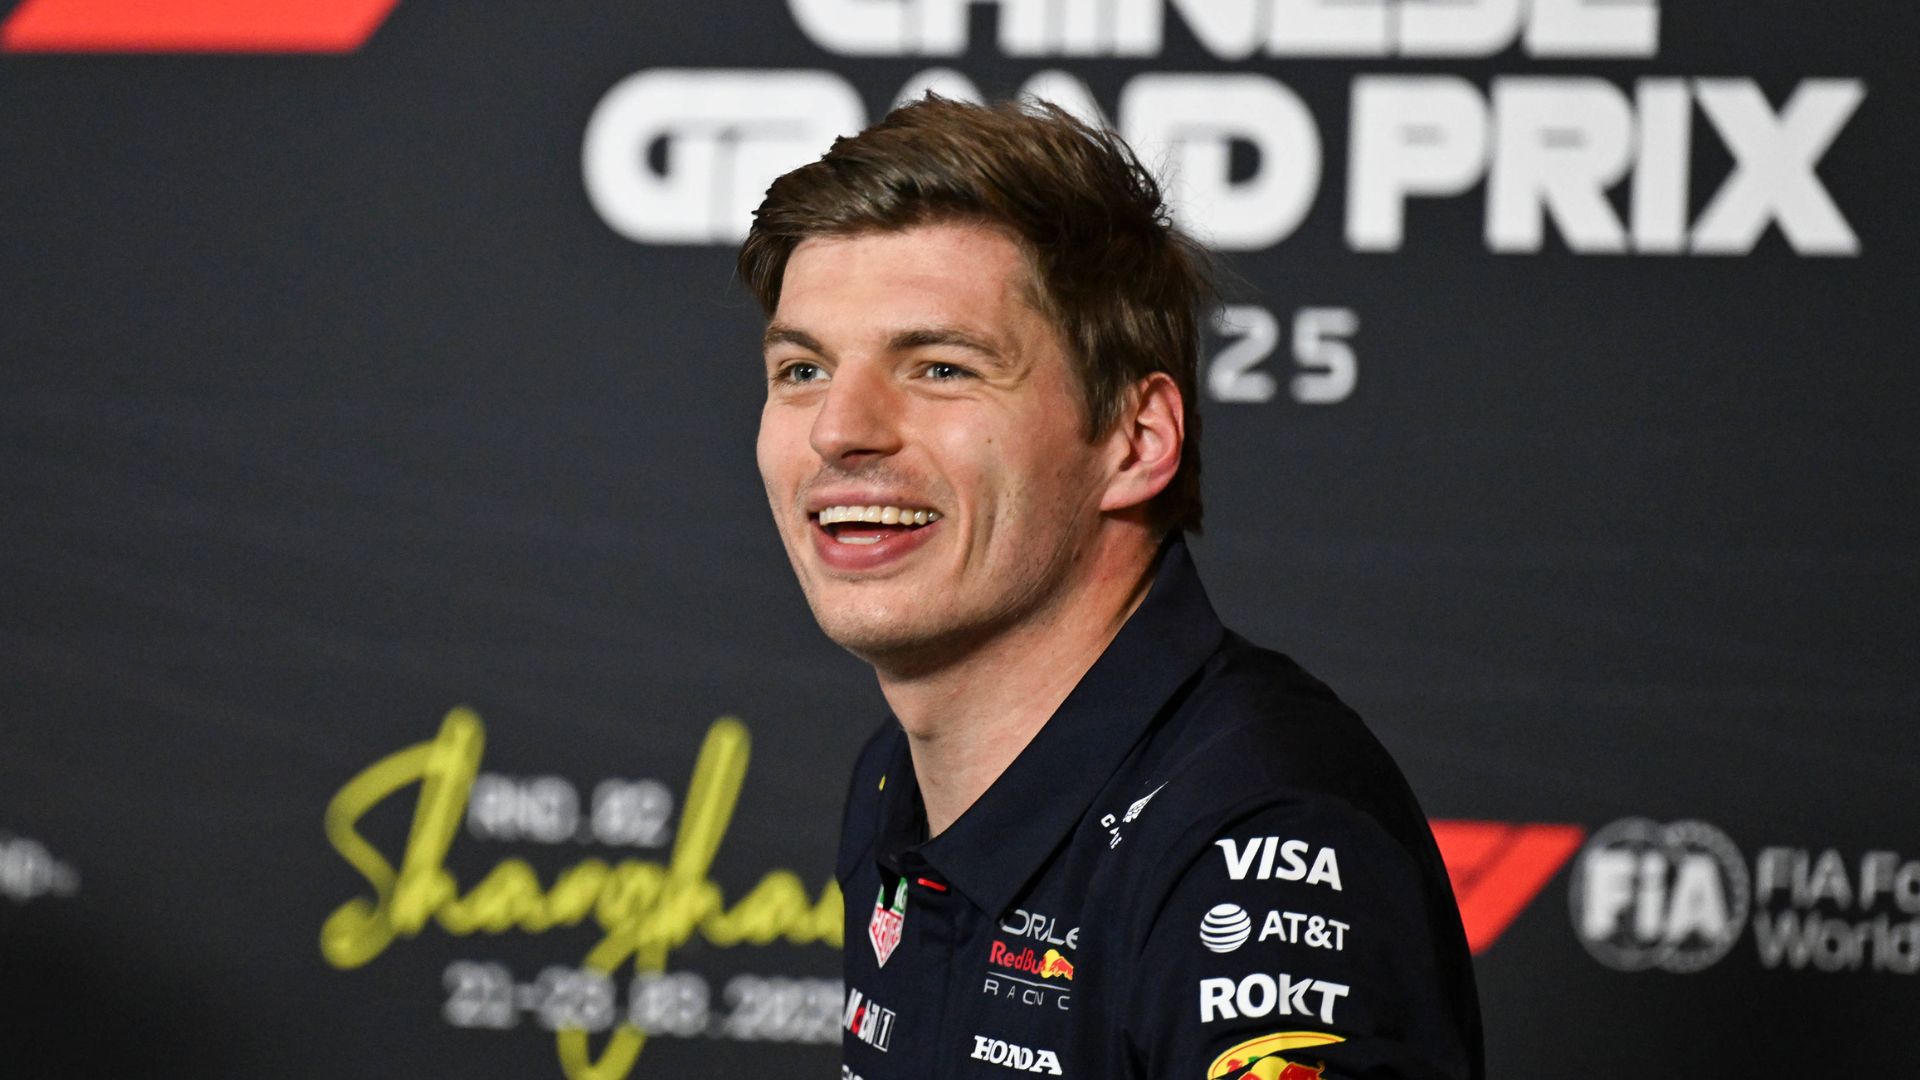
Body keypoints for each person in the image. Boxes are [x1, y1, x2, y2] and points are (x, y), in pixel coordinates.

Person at [742, 95, 1482, 1080]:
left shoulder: (1259, 838)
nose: (839, 429)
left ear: (1136, 443)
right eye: (802, 369)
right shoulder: (895, 776)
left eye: (940, 367)